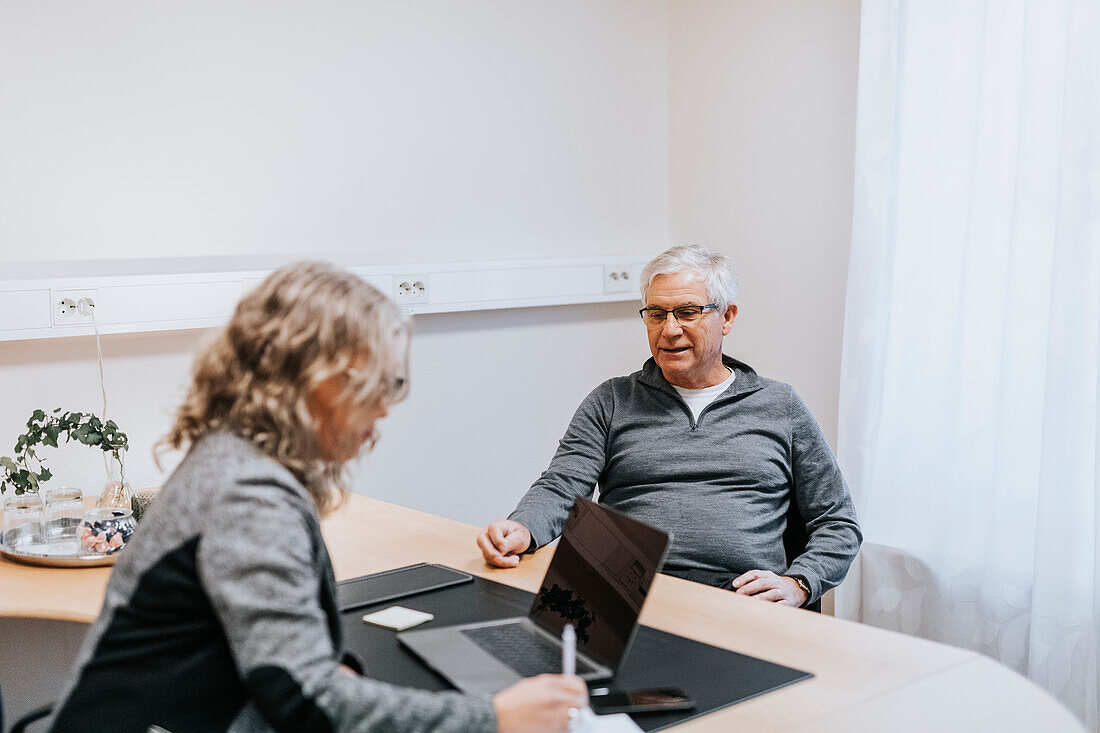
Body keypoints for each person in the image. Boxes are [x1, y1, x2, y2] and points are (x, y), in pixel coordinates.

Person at [48, 263, 586, 733]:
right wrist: (495, 720)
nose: (386, 409)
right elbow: (307, 704)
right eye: (385, 385)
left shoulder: (233, 457)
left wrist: (331, 669)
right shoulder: (247, 495)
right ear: (324, 382)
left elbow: (280, 668)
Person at [477, 245, 861, 609]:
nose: (669, 329)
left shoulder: (779, 406)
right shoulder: (611, 400)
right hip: (623, 596)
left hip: (739, 600)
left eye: (688, 312)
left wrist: (799, 583)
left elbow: (838, 522)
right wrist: (523, 529)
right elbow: (561, 486)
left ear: (726, 317)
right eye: (657, 314)